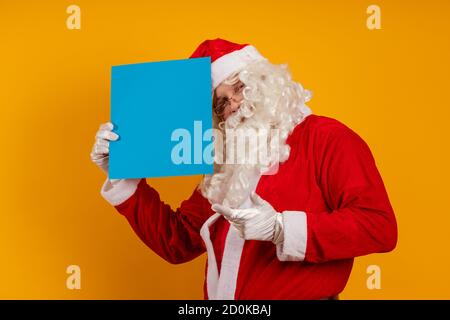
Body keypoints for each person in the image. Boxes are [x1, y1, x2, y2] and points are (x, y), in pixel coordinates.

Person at [90, 39, 398, 300]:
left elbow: (379, 227)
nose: (235, 104)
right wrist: (122, 174)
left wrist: (281, 228)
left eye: (240, 86)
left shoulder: (329, 138)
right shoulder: (225, 163)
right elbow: (178, 242)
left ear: (265, 79)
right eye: (221, 103)